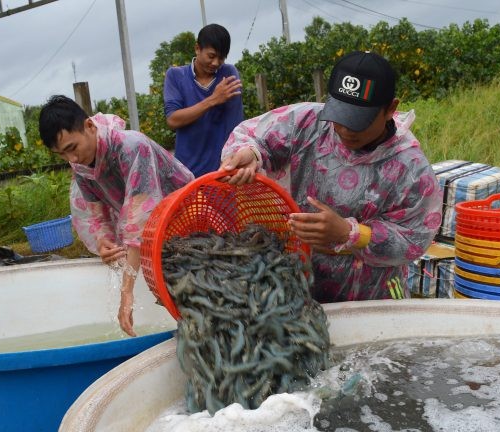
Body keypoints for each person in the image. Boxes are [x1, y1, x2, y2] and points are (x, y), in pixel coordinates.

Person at [220, 50, 443, 303]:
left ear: (390, 109)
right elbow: (253, 135)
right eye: (340, 115)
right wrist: (251, 153)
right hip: (299, 281)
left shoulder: (410, 168)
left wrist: (350, 234)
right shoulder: (308, 123)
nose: (345, 129)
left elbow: (413, 239)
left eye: (358, 120)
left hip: (372, 296)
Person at [39, 95, 194, 336]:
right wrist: (103, 242)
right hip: (155, 231)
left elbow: (138, 220)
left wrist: (127, 291)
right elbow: (96, 216)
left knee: (193, 285)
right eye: (61, 154)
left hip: (189, 216)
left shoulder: (131, 146)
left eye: (72, 148)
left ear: (90, 126)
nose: (72, 159)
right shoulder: (82, 168)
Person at [163, 23, 244, 177]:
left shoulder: (228, 74)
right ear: (197, 48)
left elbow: (235, 126)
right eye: (211, 56)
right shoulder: (175, 76)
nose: (215, 63)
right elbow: (173, 120)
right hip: (186, 173)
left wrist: (229, 164)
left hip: (223, 171)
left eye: (221, 58)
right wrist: (213, 99)